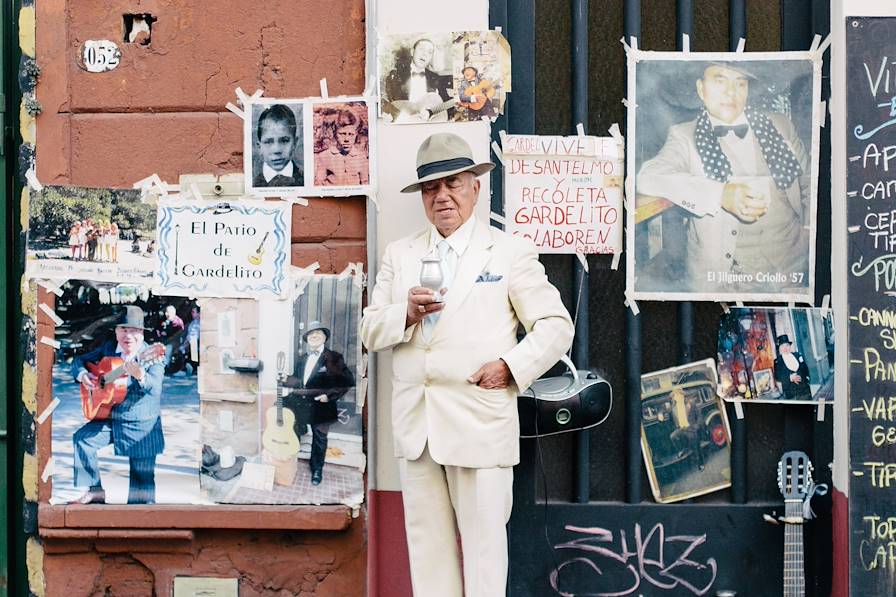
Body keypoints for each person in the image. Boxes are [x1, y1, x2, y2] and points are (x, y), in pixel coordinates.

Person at [360, 133, 574, 596]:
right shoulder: (401, 255)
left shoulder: (508, 252)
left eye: (453, 184)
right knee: (429, 556)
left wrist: (510, 367)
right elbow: (370, 330)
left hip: (479, 423)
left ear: (475, 188)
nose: (442, 197)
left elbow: (556, 326)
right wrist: (405, 313)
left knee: (483, 557)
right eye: (431, 189)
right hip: (418, 429)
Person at [637, 62, 811, 293]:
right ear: (701, 89)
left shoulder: (780, 125)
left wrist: (809, 231)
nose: (731, 92)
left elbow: (809, 183)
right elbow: (648, 177)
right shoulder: (683, 136)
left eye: (740, 83)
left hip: (791, 273)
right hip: (724, 282)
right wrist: (720, 194)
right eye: (720, 81)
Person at [70, 306, 165, 504]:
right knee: (82, 439)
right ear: (116, 331)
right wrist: (82, 374)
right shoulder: (109, 348)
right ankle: (95, 490)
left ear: (141, 333)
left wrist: (141, 376)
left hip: (141, 426)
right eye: (123, 329)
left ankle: (142, 524)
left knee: (142, 485)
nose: (127, 335)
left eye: (133, 330)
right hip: (112, 418)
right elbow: (80, 360)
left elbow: (155, 389)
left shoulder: (152, 356)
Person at [282, 321, 354, 485]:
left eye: (318, 333)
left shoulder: (334, 358)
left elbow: (347, 382)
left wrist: (329, 396)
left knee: (319, 439)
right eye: (310, 334)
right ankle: (290, 461)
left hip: (322, 406)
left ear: (324, 337)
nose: (314, 336)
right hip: (302, 405)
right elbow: (300, 381)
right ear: (307, 339)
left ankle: (317, 470)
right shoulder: (303, 359)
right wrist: (287, 380)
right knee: (294, 429)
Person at [383, 38, 454, 123]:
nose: (425, 54)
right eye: (421, 49)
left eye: (429, 52)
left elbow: (446, 107)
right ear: (412, 52)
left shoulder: (436, 78)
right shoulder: (395, 75)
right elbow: (386, 105)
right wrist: (404, 118)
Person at [252, 104, 304, 188]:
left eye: (284, 140)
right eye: (268, 142)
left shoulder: (306, 180)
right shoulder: (252, 184)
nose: (277, 150)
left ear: (294, 143)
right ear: (259, 147)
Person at [314, 109, 369, 186]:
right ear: (335, 133)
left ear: (356, 134)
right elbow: (319, 184)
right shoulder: (324, 156)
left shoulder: (361, 157)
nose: (347, 139)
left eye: (351, 134)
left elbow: (365, 184)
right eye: (342, 134)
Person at [666, 388, 705, 472]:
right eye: (676, 396)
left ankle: (700, 463)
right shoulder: (673, 408)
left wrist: (697, 425)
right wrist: (660, 414)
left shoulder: (690, 404)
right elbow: (665, 412)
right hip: (681, 428)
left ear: (683, 396)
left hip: (691, 427)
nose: (678, 397)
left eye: (680, 395)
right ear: (674, 398)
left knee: (695, 444)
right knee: (672, 436)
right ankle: (682, 449)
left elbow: (699, 416)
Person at [774, 334, 812, 400]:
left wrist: (807, 379)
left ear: (790, 346)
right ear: (779, 348)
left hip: (805, 391)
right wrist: (790, 377)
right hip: (791, 394)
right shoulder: (778, 361)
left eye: (787, 345)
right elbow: (778, 377)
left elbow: (805, 368)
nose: (785, 348)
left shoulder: (798, 355)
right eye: (782, 346)